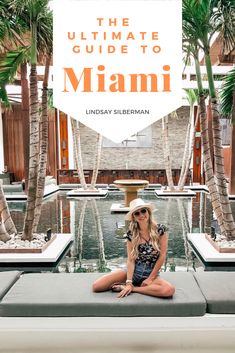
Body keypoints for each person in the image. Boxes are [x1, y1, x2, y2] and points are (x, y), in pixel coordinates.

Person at [92, 198, 175, 298]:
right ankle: (130, 286)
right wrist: (129, 282)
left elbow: (162, 256)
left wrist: (150, 279)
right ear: (134, 217)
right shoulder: (131, 234)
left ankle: (134, 289)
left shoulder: (160, 230)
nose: (141, 215)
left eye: (143, 211)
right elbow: (131, 260)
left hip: (151, 273)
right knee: (97, 286)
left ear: (148, 212)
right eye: (137, 213)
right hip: (133, 271)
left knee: (169, 290)